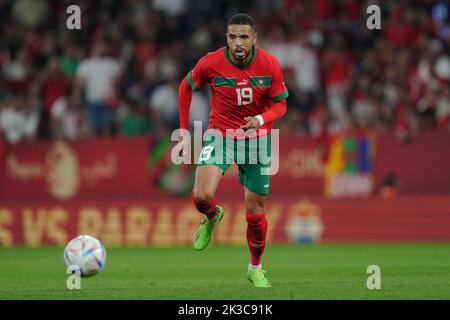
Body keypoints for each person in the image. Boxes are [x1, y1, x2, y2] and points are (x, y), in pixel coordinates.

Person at [176, 13, 288, 288]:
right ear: (227, 38)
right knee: (202, 196)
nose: (238, 42)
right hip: (221, 134)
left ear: (254, 38)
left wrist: (261, 120)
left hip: (258, 138)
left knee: (255, 210)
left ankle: (255, 268)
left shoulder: (270, 64)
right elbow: (185, 87)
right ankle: (213, 216)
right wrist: (183, 130)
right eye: (233, 36)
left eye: (244, 37)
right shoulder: (211, 62)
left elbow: (281, 105)